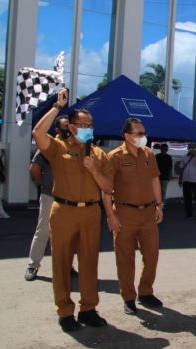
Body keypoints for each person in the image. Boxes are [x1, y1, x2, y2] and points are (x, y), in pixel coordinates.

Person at [32, 88, 113, 332]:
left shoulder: (98, 153)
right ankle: (65, 311)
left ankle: (88, 309)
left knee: (89, 262)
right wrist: (57, 107)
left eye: (91, 123)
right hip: (64, 211)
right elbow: (38, 133)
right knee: (62, 261)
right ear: (73, 126)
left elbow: (109, 187)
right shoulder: (58, 148)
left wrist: (95, 170)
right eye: (84, 123)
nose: (89, 127)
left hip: (90, 212)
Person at [102, 118, 164, 315]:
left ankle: (145, 292)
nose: (143, 136)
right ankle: (128, 297)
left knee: (152, 254)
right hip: (124, 213)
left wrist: (159, 204)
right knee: (125, 258)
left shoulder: (148, 155)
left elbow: (155, 180)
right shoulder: (115, 156)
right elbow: (106, 189)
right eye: (139, 133)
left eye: (144, 132)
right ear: (127, 136)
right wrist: (110, 215)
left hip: (148, 213)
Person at [25, 117, 78, 281]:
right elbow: (34, 169)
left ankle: (67, 265)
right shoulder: (49, 146)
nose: (68, 129)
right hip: (51, 196)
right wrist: (44, 185)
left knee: (69, 234)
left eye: (70, 125)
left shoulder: (76, 146)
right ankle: (33, 265)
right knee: (43, 231)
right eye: (64, 127)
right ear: (57, 130)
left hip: (71, 198)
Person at [179, 142, 196, 221]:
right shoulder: (184, 156)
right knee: (187, 198)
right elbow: (181, 168)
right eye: (189, 147)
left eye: (193, 147)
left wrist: (195, 154)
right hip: (186, 180)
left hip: (195, 180)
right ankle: (189, 214)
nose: (191, 149)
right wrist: (180, 179)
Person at [155, 143, 172, 207]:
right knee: (158, 190)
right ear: (161, 149)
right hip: (157, 176)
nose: (165, 150)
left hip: (165, 176)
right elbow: (154, 166)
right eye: (164, 148)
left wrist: (170, 175)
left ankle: (162, 203)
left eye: (166, 149)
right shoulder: (157, 156)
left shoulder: (169, 157)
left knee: (163, 190)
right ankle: (157, 202)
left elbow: (170, 167)